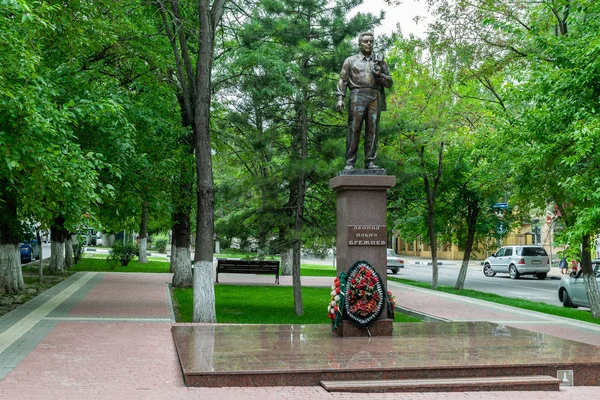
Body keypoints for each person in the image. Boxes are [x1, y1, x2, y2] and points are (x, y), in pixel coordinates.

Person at [336, 32, 393, 170]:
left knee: (372, 130)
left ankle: (370, 162)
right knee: (354, 129)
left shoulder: (379, 61)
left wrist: (380, 74)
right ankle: (350, 162)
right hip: (357, 94)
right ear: (359, 43)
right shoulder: (351, 60)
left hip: (374, 95)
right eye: (366, 41)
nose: (368, 44)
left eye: (371, 41)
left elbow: (389, 82)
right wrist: (340, 98)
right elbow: (342, 80)